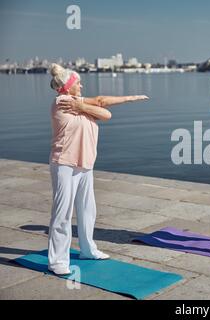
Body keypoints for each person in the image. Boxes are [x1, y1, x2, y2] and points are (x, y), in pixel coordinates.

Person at [48, 63, 148, 275]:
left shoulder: (77, 102)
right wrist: (129, 98)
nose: (82, 86)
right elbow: (103, 106)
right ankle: (57, 260)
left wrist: (84, 107)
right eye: (79, 83)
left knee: (87, 209)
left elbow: (105, 111)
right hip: (65, 163)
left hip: (85, 163)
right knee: (63, 213)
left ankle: (88, 249)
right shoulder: (63, 101)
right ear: (68, 86)